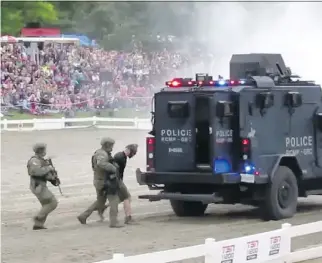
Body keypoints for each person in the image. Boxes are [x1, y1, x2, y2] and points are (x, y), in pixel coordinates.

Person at [77, 137, 123, 228]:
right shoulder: (102, 154)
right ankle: (114, 222)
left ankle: (83, 216)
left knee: (100, 202)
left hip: (100, 180)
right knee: (114, 200)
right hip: (104, 181)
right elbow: (101, 163)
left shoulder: (101, 153)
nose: (112, 147)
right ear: (107, 145)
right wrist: (114, 168)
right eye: (111, 145)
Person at [99, 144, 138, 224]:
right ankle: (128, 218)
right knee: (127, 197)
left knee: (121, 198)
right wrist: (117, 183)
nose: (133, 155)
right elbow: (114, 170)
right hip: (117, 181)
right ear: (130, 151)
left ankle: (104, 207)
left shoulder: (121, 156)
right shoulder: (120, 158)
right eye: (134, 153)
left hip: (117, 180)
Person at [27, 143, 58, 230]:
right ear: (41, 150)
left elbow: (44, 174)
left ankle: (38, 225)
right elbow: (36, 172)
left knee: (45, 204)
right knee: (52, 203)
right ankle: (38, 217)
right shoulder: (34, 161)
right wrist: (49, 168)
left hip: (40, 185)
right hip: (38, 186)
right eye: (44, 150)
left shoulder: (40, 160)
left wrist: (53, 177)